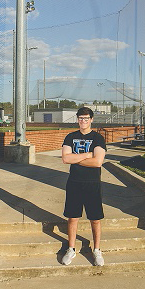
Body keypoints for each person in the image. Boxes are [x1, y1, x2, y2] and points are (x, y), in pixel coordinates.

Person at [60, 106, 106, 266]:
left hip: (92, 183)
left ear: (91, 120)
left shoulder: (98, 138)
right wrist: (87, 154)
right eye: (81, 118)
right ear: (77, 119)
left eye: (86, 119)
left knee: (95, 219)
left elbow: (98, 162)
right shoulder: (70, 137)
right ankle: (71, 249)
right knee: (73, 217)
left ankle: (97, 250)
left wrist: (75, 157)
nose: (83, 121)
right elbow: (65, 159)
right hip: (74, 183)